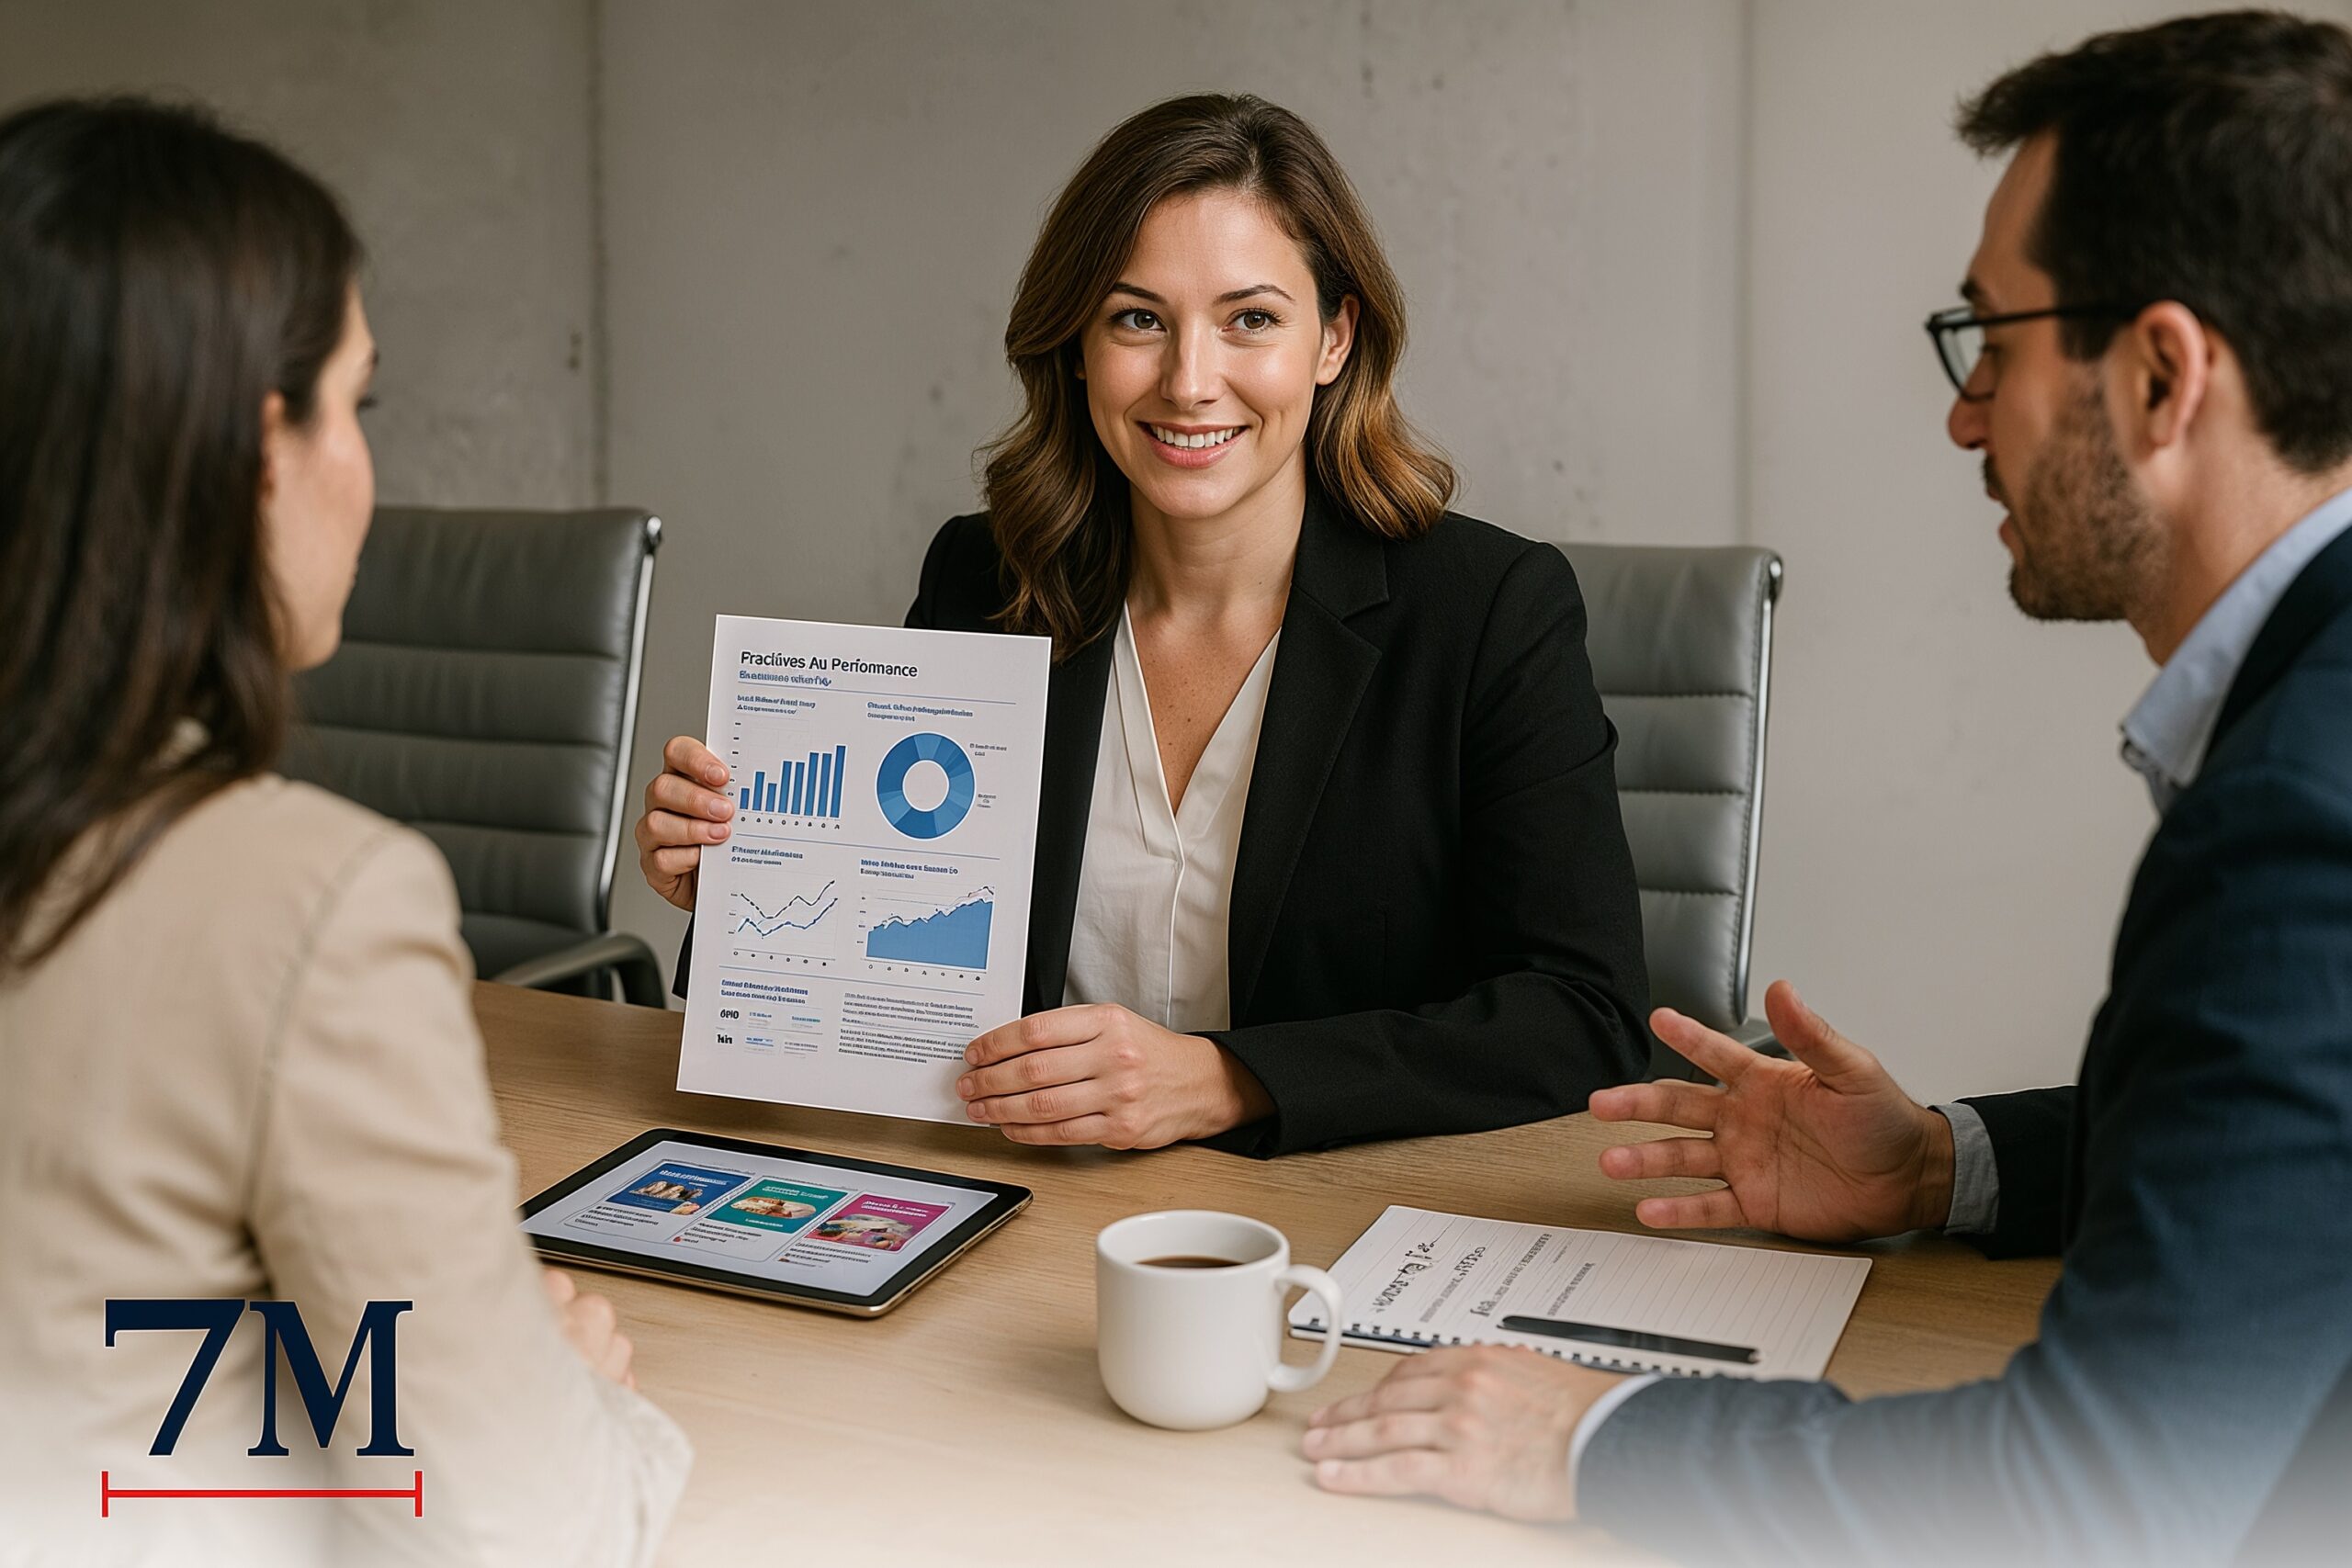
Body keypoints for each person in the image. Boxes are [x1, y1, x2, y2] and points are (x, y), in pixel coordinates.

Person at [1298, 13, 2352, 1563]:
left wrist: (1590, 1432)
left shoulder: (2301, 817)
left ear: (2160, 374)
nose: (1961, 409)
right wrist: (1945, 1162)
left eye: (1991, 339)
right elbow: (2291, 1155)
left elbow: (2108, 1493)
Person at [635, 95, 1651, 1157]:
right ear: (1076, 345)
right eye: (1137, 319)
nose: (1188, 381)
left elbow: (1581, 1016)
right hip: (1023, 1202)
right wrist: (747, 887)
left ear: (1334, 338)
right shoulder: (981, 581)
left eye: (1250, 319)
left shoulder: (1490, 612)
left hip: (1321, 1226)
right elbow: (880, 983)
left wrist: (1229, 1081)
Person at [0, 99, 688, 1565]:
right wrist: (556, 1379)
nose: (367, 467)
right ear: (262, 451)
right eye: (358, 404)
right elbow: (533, 1526)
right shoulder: (309, 900)